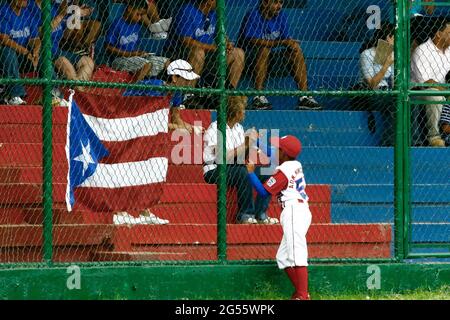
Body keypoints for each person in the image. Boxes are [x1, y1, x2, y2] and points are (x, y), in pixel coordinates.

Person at [114, 59, 204, 225]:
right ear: (174, 78)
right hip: (127, 121)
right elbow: (151, 120)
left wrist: (190, 127)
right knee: (129, 167)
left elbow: (176, 118)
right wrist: (176, 128)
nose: (190, 82)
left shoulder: (178, 92)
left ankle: (144, 211)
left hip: (147, 129)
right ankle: (120, 211)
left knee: (148, 169)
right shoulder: (155, 88)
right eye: (186, 78)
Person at [246, 135, 311, 300]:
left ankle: (302, 295)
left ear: (283, 153)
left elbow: (263, 192)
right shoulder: (295, 163)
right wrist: (257, 141)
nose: (275, 151)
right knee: (283, 257)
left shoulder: (284, 171)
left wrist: (251, 174)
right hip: (300, 210)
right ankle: (301, 293)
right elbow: (274, 152)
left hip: (294, 211)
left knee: (297, 254)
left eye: (278, 149)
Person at [203, 95, 278, 224]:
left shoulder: (238, 128)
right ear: (235, 112)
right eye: (243, 110)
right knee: (244, 173)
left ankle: (261, 213)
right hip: (215, 170)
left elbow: (240, 154)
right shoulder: (215, 128)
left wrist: (251, 144)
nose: (245, 113)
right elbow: (222, 157)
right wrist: (246, 144)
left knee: (267, 172)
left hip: (236, 167)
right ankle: (245, 214)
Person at [237, 0, 321, 110]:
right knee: (264, 49)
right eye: (275, 2)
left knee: (296, 50)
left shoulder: (281, 15)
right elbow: (253, 40)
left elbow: (285, 39)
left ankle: (304, 97)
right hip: (249, 58)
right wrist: (281, 42)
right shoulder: (253, 15)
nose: (279, 6)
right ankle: (258, 96)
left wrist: (291, 43)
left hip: (271, 57)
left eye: (281, 2)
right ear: (265, 3)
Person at [164, 0, 245, 90]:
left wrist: (227, 43)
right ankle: (188, 94)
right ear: (210, 1)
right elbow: (186, 41)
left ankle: (230, 94)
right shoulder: (186, 10)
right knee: (198, 52)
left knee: (238, 53)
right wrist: (214, 48)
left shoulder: (214, 13)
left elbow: (220, 33)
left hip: (208, 55)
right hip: (182, 55)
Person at [105, 0, 169, 82]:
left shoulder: (136, 25)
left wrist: (140, 53)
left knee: (166, 61)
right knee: (146, 65)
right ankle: (133, 89)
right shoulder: (117, 24)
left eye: (141, 15)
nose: (139, 18)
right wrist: (130, 54)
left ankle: (165, 86)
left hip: (135, 57)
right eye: (138, 14)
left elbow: (134, 47)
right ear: (129, 9)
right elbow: (108, 47)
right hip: (119, 59)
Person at [411, 17, 450, 147]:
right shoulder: (422, 51)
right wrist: (447, 92)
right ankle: (434, 137)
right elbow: (427, 82)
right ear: (438, 34)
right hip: (419, 92)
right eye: (449, 33)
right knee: (434, 93)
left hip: (445, 90)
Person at [358, 22, 395, 146]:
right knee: (395, 100)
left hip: (390, 92)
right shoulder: (367, 54)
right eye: (394, 39)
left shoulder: (394, 55)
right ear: (387, 38)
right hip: (374, 94)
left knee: (409, 99)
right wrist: (386, 65)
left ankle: (413, 141)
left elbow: (395, 82)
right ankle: (389, 143)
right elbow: (372, 84)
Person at [0, 0, 41, 105]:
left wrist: (35, 52)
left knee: (44, 55)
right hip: (6, 58)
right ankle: (14, 96)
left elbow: (35, 38)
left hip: (23, 56)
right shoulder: (3, 11)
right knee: (8, 52)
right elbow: (4, 39)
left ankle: (53, 93)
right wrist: (26, 52)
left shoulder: (27, 13)